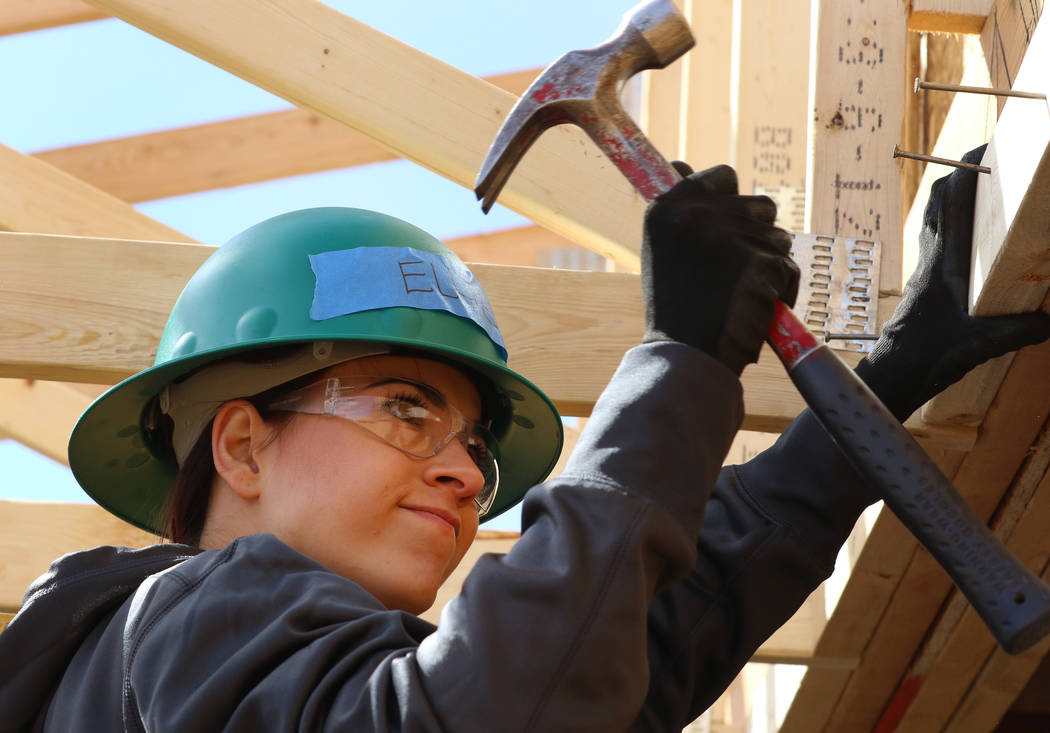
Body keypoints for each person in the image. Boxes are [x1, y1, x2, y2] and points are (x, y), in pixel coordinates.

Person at [1, 147, 1047, 732]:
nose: (464, 475)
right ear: (241, 448)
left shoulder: (244, 689)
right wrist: (678, 359)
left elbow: (651, 635)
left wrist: (884, 386)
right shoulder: (186, 614)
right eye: (409, 408)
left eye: (475, 446)